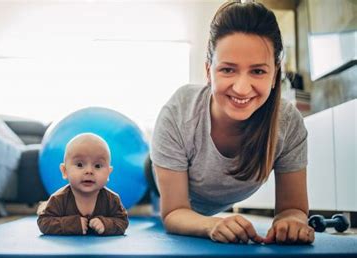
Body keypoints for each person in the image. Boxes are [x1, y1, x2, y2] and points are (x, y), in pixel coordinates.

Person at [150, 1, 315, 244]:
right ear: (208, 71)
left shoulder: (288, 124)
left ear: (274, 75)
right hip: (154, 179)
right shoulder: (179, 112)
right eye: (228, 70)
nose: (241, 87)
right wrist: (211, 224)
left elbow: (293, 209)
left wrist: (291, 222)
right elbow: (174, 212)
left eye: (258, 71)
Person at [37, 133, 129, 235]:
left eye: (97, 166)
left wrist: (106, 224)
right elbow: (43, 222)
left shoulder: (112, 200)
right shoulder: (58, 199)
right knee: (45, 209)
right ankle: (43, 206)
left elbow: (123, 221)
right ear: (64, 171)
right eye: (80, 165)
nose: (89, 171)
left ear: (108, 173)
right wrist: (73, 224)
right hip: (69, 248)